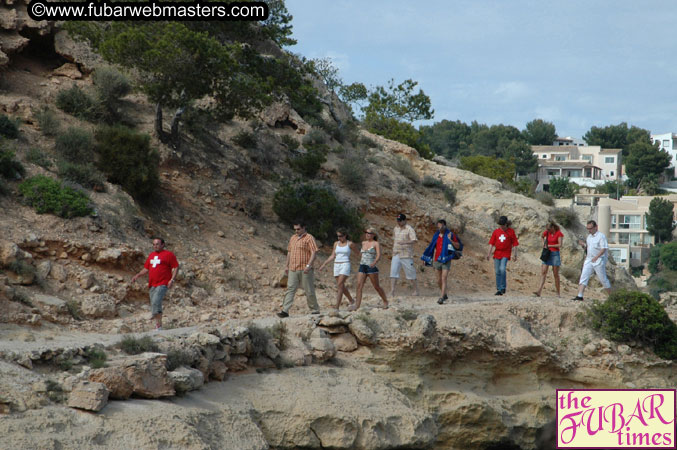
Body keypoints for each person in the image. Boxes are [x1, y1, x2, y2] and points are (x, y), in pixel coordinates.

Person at [131, 238, 179, 330]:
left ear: (163, 245)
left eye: (157, 244)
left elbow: (176, 267)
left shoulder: (169, 255)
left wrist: (172, 280)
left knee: (156, 301)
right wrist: (137, 275)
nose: (155, 246)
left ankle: (154, 316)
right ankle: (159, 325)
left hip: (163, 283)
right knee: (154, 303)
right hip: (152, 284)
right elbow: (146, 268)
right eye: (153, 244)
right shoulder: (152, 255)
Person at [277, 221, 320, 318]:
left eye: (298, 229)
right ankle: (285, 311)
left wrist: (309, 266)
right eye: (295, 229)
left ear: (304, 227)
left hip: (305, 269)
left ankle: (315, 310)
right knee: (290, 289)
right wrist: (287, 266)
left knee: (308, 289)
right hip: (293, 268)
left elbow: (314, 252)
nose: (296, 231)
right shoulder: (293, 238)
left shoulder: (309, 238)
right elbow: (289, 252)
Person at [421, 219, 460, 304]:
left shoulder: (450, 234)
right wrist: (426, 258)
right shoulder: (436, 235)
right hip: (437, 259)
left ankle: (441, 297)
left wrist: (451, 240)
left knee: (444, 278)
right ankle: (444, 293)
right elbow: (431, 247)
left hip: (446, 259)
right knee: (438, 280)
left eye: (440, 226)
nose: (439, 228)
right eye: (438, 226)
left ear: (444, 226)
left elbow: (458, 246)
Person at [350, 227, 388, 311]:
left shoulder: (376, 243)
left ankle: (385, 301)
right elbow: (360, 255)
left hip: (371, 267)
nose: (367, 234)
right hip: (362, 265)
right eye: (366, 232)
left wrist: (374, 262)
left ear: (373, 235)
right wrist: (354, 248)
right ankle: (357, 305)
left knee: (376, 286)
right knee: (359, 285)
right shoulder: (363, 243)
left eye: (369, 233)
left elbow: (378, 255)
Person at [573, 220, 611, 301]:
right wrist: (583, 245)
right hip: (589, 259)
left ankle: (611, 296)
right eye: (588, 229)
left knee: (603, 279)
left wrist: (597, 257)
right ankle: (580, 295)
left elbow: (604, 248)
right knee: (584, 276)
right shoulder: (589, 237)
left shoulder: (601, 236)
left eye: (590, 228)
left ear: (595, 227)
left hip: (599, 260)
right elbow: (588, 247)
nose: (589, 230)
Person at [318, 228, 357, 310]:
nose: (339, 238)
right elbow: (333, 255)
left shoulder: (350, 244)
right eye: (338, 236)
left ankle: (337, 307)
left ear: (345, 235)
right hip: (336, 265)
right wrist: (324, 264)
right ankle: (351, 300)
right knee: (341, 286)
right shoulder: (336, 243)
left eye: (340, 236)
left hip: (345, 264)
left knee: (339, 285)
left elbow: (358, 253)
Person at [487, 216, 519, 296]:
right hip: (497, 253)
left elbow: (515, 244)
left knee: (502, 269)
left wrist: (515, 254)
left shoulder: (511, 232)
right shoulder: (496, 232)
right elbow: (491, 243)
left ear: (506, 224)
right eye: (500, 225)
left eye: (502, 225)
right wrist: (488, 254)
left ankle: (503, 287)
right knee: (497, 271)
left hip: (506, 253)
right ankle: (499, 289)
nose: (501, 227)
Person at [389, 213, 419, 297]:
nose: (399, 222)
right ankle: (392, 291)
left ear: (405, 220)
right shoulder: (396, 228)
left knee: (410, 272)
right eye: (398, 221)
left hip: (406, 254)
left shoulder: (409, 229)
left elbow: (414, 240)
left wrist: (405, 242)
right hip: (396, 253)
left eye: (400, 221)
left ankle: (415, 290)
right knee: (393, 272)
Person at [534, 222, 564, 297]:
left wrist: (549, 245)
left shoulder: (558, 233)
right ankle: (539, 291)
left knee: (555, 273)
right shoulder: (547, 232)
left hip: (555, 254)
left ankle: (558, 293)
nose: (548, 230)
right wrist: (543, 243)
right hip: (547, 253)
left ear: (553, 227)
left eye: (549, 229)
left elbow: (560, 244)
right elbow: (542, 236)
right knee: (543, 272)